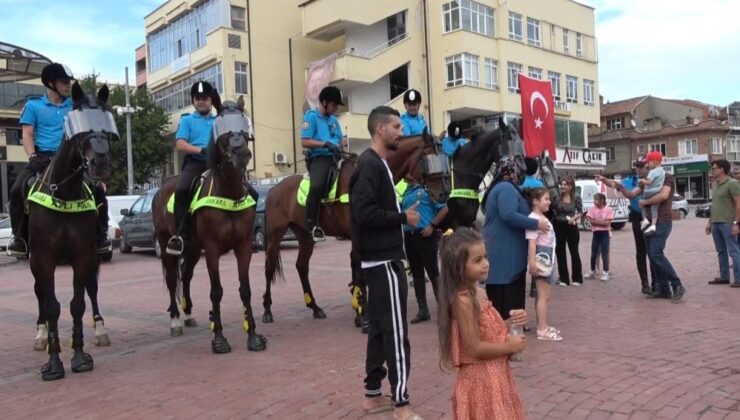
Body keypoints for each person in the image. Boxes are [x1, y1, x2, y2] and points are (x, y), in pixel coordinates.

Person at [350, 106, 422, 420]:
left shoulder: (378, 164)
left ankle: (372, 396)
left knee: (380, 329)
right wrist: (401, 217)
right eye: (396, 126)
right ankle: (402, 403)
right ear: (380, 129)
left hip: (379, 261)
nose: (401, 131)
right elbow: (363, 213)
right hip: (383, 262)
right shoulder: (369, 164)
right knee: (395, 331)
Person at [7, 62, 110, 257]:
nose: (68, 85)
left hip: (72, 160)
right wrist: (32, 157)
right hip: (43, 159)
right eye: (64, 81)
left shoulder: (74, 105)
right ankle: (19, 238)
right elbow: (27, 135)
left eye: (68, 81)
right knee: (16, 190)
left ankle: (102, 236)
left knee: (97, 189)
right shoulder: (33, 106)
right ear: (51, 83)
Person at [437, 227, 527, 420]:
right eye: (477, 261)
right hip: (481, 381)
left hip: (495, 377)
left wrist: (511, 322)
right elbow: (475, 348)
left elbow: (487, 329)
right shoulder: (463, 300)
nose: (485, 264)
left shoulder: (478, 291)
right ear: (458, 266)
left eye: (485, 257)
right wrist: (508, 346)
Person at [481, 156, 549, 321]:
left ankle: (508, 323)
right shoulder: (505, 187)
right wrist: (535, 224)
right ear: (513, 170)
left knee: (504, 288)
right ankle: (508, 325)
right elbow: (508, 214)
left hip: (504, 250)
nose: (523, 175)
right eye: (521, 171)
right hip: (506, 252)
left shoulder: (503, 187)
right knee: (506, 293)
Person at [166, 81, 218, 256]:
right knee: (181, 189)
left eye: (204, 98)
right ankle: (181, 236)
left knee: (248, 190)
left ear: (211, 100)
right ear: (193, 100)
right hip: (196, 163)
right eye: (198, 98)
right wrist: (201, 149)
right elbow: (180, 144)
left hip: (217, 163)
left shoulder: (219, 120)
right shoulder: (187, 120)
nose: (201, 101)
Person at [598, 161, 657, 294]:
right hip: (638, 218)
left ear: (648, 168)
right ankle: (645, 283)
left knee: (652, 251)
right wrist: (604, 179)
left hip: (651, 218)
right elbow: (614, 184)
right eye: (637, 166)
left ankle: (655, 283)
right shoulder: (630, 181)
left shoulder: (653, 179)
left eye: (641, 167)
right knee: (641, 251)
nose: (638, 169)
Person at [301, 86, 346, 242]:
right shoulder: (311, 117)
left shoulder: (334, 120)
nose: (335, 109)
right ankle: (312, 225)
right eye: (334, 105)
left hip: (335, 157)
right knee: (317, 186)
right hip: (319, 158)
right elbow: (304, 141)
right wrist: (325, 144)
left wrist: (341, 148)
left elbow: (341, 140)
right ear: (324, 102)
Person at [401, 178, 448, 324]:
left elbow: (445, 208)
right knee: (417, 274)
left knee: (433, 272)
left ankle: (444, 310)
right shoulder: (406, 191)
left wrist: (432, 226)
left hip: (426, 235)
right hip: (410, 236)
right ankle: (423, 310)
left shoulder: (428, 188)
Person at [638, 163, 685, 301]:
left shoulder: (667, 177)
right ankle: (663, 289)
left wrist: (645, 202)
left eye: (645, 165)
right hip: (646, 221)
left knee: (656, 253)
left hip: (662, 220)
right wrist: (614, 185)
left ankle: (677, 285)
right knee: (651, 255)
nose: (642, 168)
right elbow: (632, 193)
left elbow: (664, 196)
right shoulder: (646, 182)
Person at [526, 188, 562, 341]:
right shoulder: (535, 219)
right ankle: (542, 329)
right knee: (543, 296)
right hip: (542, 260)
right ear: (535, 201)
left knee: (543, 295)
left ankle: (543, 324)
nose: (549, 202)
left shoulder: (540, 217)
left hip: (547, 258)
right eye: (546, 199)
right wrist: (532, 263)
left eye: (549, 199)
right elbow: (532, 243)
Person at [705, 159, 740, 287]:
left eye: (714, 168)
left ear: (722, 169)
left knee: (733, 251)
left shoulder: (732, 184)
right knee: (720, 251)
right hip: (716, 223)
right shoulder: (715, 184)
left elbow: (738, 203)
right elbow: (715, 205)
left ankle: (738, 279)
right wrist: (710, 222)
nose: (712, 171)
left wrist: (736, 223)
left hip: (728, 222)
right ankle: (724, 277)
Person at [519, 157, 544, 298]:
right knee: (536, 251)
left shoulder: (519, 184)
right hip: (537, 220)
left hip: (523, 220)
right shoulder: (539, 184)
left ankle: (522, 281)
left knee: (524, 250)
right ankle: (535, 284)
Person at [552, 177, 584, 287]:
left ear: (571, 186)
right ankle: (564, 279)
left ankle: (577, 278)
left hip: (572, 225)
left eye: (565, 184)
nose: (563, 186)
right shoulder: (556, 198)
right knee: (560, 252)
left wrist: (574, 218)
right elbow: (553, 211)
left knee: (574, 251)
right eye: (561, 184)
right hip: (559, 225)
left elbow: (580, 212)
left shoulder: (576, 198)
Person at [584, 193, 613, 281]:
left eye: (596, 200)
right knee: (594, 252)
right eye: (594, 200)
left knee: (605, 252)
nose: (594, 202)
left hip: (605, 234)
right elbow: (591, 222)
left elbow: (607, 223)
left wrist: (597, 222)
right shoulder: (592, 209)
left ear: (602, 200)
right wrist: (602, 223)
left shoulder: (608, 210)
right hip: (596, 233)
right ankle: (592, 270)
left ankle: (605, 272)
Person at [639, 151, 666, 235]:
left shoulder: (652, 172)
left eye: (649, 162)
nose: (648, 164)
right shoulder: (663, 171)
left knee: (641, 204)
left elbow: (649, 182)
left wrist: (642, 180)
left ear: (655, 161)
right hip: (657, 192)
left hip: (649, 191)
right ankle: (653, 225)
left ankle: (645, 220)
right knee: (654, 209)